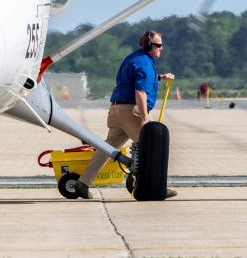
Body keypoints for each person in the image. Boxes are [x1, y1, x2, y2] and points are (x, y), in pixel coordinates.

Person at [74, 30, 177, 199]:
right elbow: (140, 92)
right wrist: (145, 118)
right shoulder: (144, 63)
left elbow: (134, 80)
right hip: (131, 112)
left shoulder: (135, 58)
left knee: (107, 149)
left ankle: (83, 182)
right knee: (152, 148)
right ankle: (157, 187)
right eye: (159, 45)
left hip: (116, 110)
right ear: (150, 45)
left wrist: (159, 77)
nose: (162, 48)